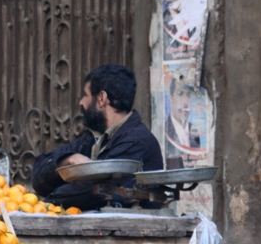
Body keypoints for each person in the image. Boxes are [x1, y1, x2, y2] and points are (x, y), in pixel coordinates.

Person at [31, 64, 163, 211]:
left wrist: (45, 202)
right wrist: (67, 160)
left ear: (101, 98)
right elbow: (38, 175)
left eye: (86, 95)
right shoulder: (94, 139)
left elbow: (91, 192)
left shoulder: (137, 141)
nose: (81, 102)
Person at [165, 78, 201, 168]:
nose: (185, 103)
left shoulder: (195, 131)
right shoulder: (164, 131)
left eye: (188, 95)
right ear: (171, 99)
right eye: (180, 94)